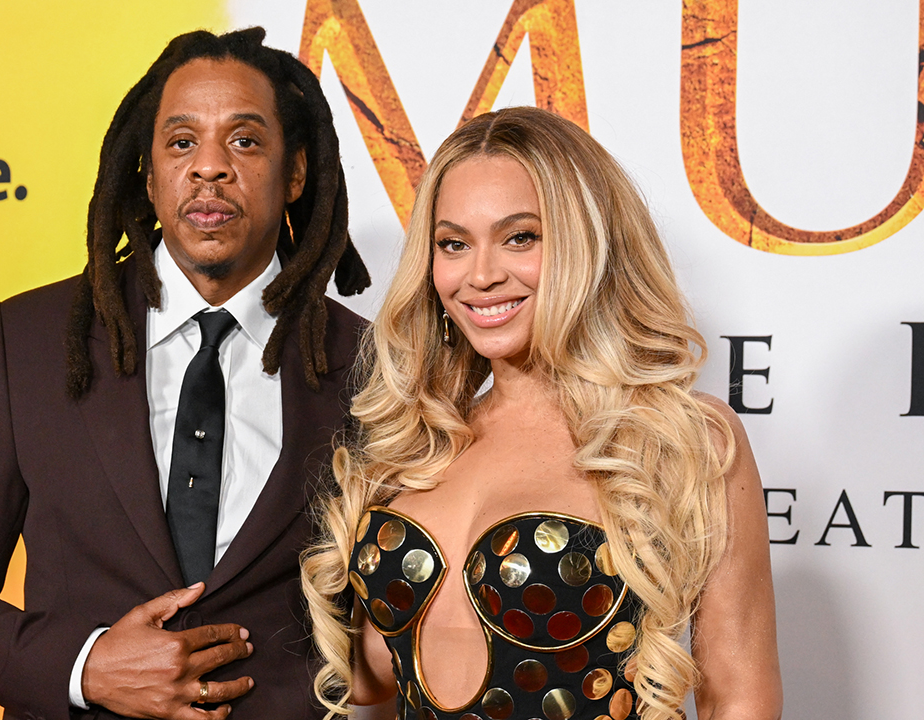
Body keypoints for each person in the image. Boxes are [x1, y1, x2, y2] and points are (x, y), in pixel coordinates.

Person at [0, 28, 370, 720]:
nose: (209, 168)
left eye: (243, 141)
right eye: (181, 142)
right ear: (147, 177)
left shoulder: (370, 364)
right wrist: (83, 668)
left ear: (296, 174)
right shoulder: (28, 340)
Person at [302, 107, 782, 720]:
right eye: (453, 244)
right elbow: (373, 686)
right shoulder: (417, 443)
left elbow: (740, 697)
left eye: (520, 237)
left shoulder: (683, 439)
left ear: (588, 244)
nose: (481, 275)